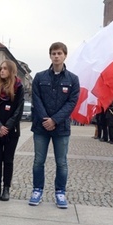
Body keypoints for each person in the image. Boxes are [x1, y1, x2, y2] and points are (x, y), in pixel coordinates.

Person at [29, 42, 80, 209]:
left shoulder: (72, 79)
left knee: (62, 162)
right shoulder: (40, 77)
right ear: (50, 56)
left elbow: (71, 103)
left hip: (61, 128)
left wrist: (55, 120)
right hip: (41, 127)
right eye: (53, 53)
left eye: (59, 53)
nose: (56, 56)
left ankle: (60, 192)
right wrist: (46, 119)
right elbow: (36, 100)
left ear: (65, 55)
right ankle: (37, 189)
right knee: (38, 161)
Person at [0, 60, 24, 201]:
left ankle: (6, 188)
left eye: (5, 68)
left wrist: (6, 127)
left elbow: (18, 110)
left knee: (8, 160)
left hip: (11, 131)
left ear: (11, 70)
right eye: (1, 68)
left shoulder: (19, 87)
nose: (2, 71)